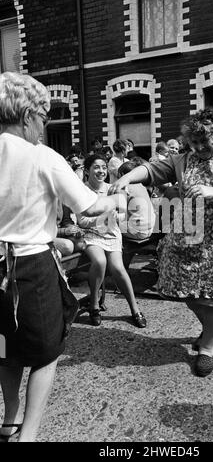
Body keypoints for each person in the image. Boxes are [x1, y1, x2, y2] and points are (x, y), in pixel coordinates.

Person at [0, 72, 126, 442]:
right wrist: (118, 198)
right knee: (46, 353)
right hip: (30, 267)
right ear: (26, 116)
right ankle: (29, 435)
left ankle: (9, 421)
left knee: (4, 349)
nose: (43, 126)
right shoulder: (43, 157)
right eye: (42, 118)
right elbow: (88, 207)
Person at [109, 108, 213, 378]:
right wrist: (125, 177)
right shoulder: (182, 160)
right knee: (186, 292)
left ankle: (207, 347)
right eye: (194, 142)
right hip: (187, 238)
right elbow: (150, 170)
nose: (200, 147)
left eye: (206, 141)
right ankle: (209, 331)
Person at [76, 154, 146, 328]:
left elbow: (123, 214)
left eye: (104, 167)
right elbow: (82, 221)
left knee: (118, 268)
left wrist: (117, 216)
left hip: (112, 233)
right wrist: (101, 219)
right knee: (99, 262)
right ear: (87, 171)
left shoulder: (113, 189)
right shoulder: (81, 191)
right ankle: (93, 304)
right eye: (96, 167)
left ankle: (134, 309)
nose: (101, 171)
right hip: (91, 233)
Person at [118, 159, 156, 240]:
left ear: (122, 175)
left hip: (137, 232)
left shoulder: (124, 188)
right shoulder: (142, 186)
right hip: (151, 229)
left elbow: (121, 215)